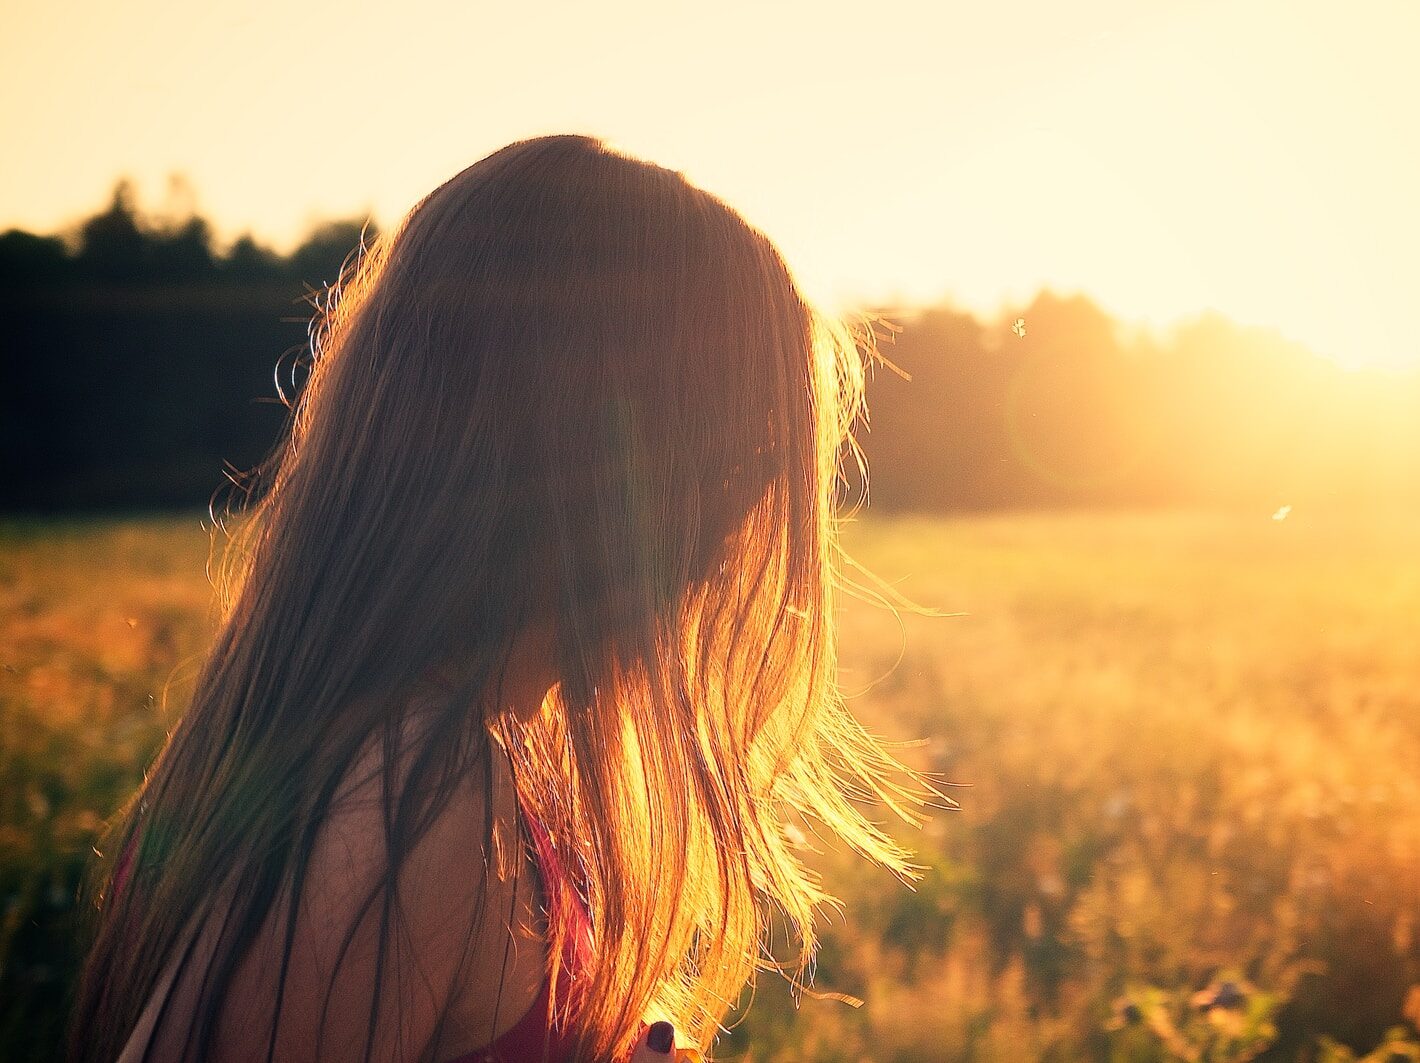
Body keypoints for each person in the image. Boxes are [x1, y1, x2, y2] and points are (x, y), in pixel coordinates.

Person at [69, 134, 937, 1063]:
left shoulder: (392, 754)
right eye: (742, 463)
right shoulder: (408, 792)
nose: (737, 534)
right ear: (609, 466)